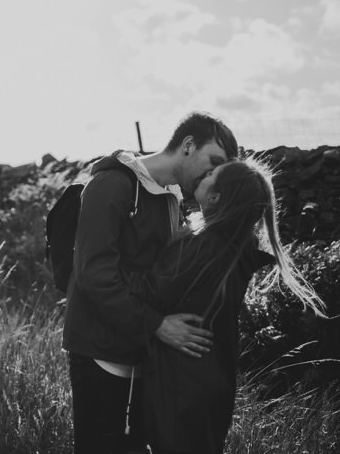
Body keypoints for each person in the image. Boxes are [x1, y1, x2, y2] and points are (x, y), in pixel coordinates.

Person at [62, 111, 239, 454]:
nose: (213, 174)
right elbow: (94, 275)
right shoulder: (113, 184)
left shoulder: (171, 194)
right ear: (188, 145)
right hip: (100, 351)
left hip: (140, 352)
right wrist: (157, 325)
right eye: (212, 161)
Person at [135, 157, 325, 454]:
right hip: (214, 380)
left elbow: (149, 292)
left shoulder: (204, 246)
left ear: (215, 197)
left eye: (212, 174)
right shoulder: (239, 245)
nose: (204, 172)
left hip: (180, 382)